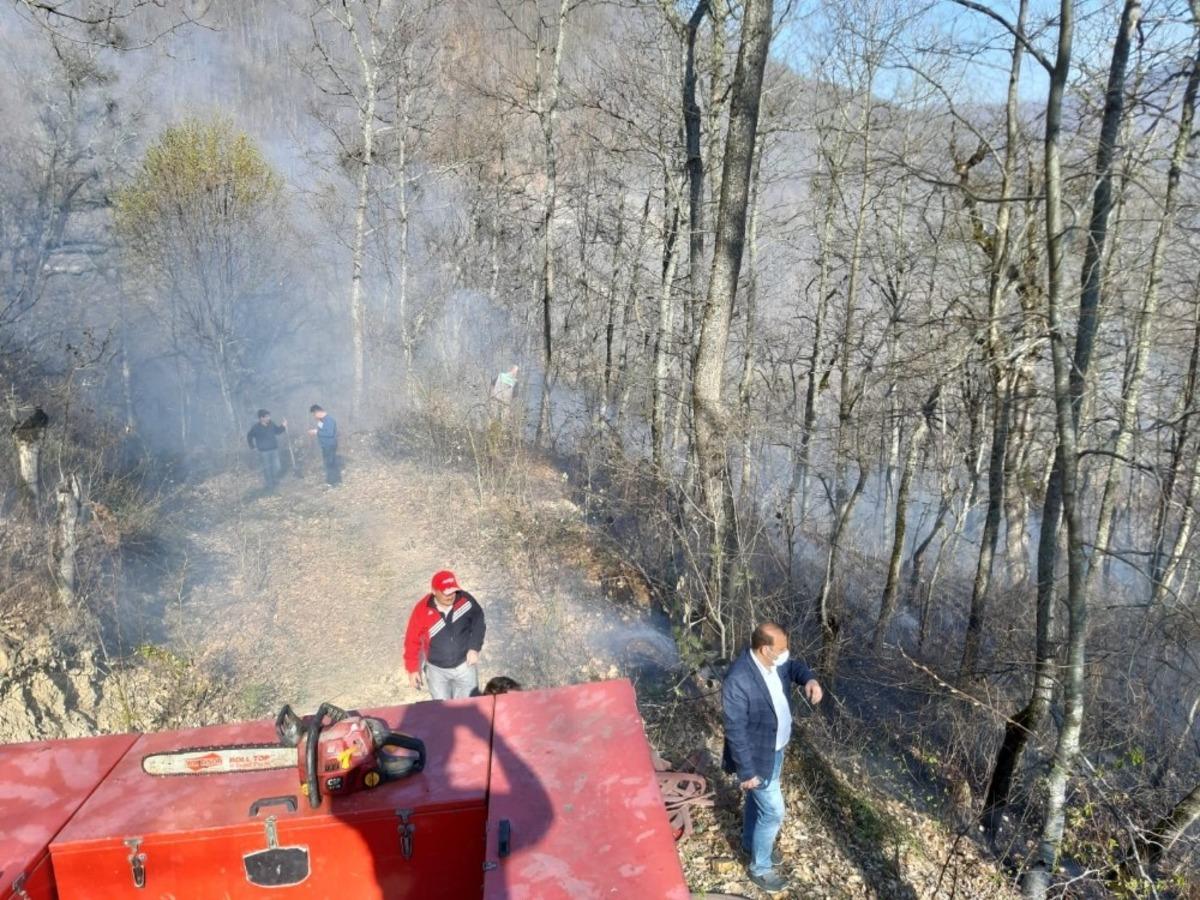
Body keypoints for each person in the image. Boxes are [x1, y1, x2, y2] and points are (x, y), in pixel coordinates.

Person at [722, 622, 823, 894]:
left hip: (776, 748)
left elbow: (794, 667)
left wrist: (810, 679)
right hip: (756, 758)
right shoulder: (739, 679)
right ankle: (760, 868)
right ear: (765, 649)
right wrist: (747, 773)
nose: (786, 652)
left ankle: (749, 842)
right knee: (774, 812)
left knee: (759, 804)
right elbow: (735, 730)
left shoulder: (775, 663)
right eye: (781, 648)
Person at [403, 570, 486, 700]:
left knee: (469, 705)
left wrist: (474, 647)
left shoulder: (465, 600)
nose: (451, 596)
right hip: (437, 670)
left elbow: (478, 621)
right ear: (434, 591)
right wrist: (413, 669)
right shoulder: (422, 610)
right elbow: (411, 640)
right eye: (446, 593)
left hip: (465, 665)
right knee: (443, 710)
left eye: (453, 591)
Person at [246, 409, 287, 492]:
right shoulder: (256, 428)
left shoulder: (271, 424)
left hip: (274, 449)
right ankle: (270, 485)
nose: (269, 418)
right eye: (267, 417)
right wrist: (252, 447)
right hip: (264, 452)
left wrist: (283, 426)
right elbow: (249, 436)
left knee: (277, 467)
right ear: (261, 418)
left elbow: (278, 431)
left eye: (269, 416)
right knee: (267, 469)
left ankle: (275, 480)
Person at [307, 404, 340, 486]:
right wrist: (316, 430)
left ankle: (334, 483)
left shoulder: (329, 420)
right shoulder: (322, 420)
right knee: (328, 464)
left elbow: (329, 433)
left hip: (330, 445)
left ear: (318, 412)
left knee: (330, 463)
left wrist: (316, 432)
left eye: (314, 414)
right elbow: (321, 430)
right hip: (325, 446)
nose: (314, 417)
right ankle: (332, 481)